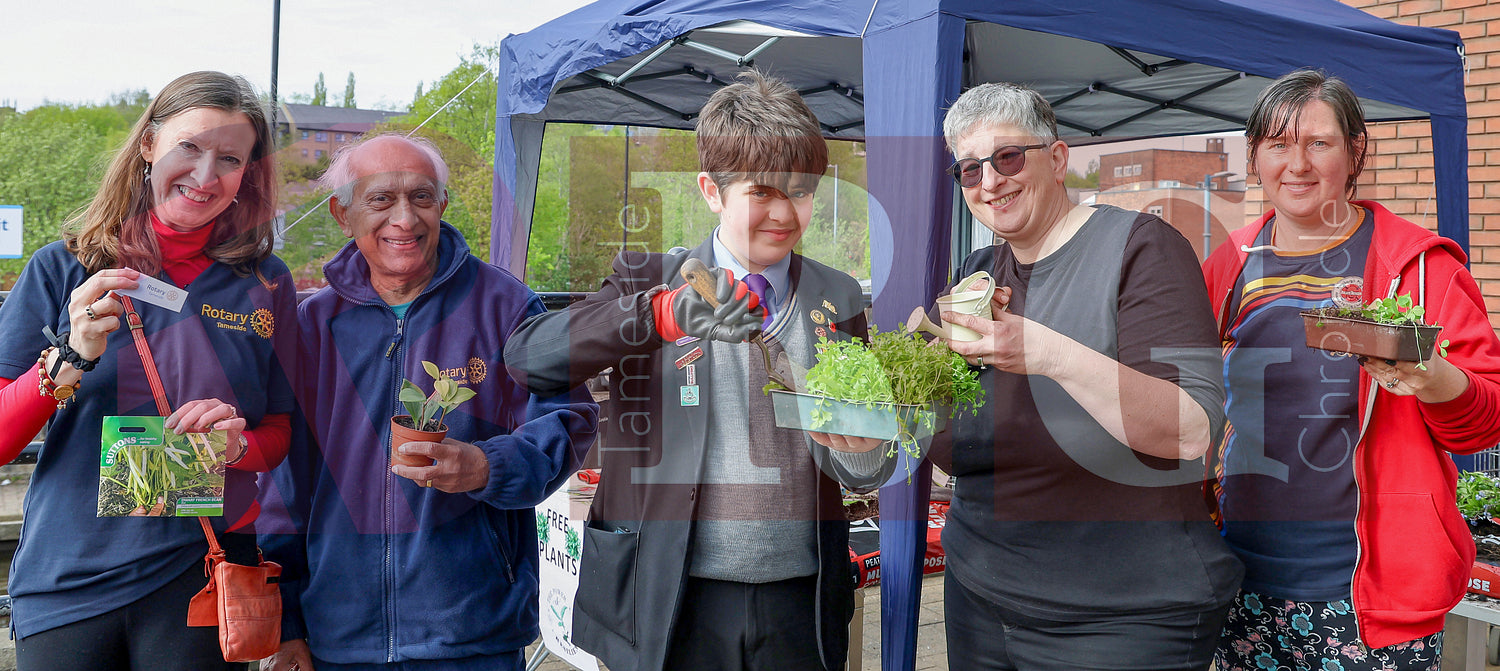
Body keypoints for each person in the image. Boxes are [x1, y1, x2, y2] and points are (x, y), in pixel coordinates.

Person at [503, 70, 888, 671]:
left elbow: (859, 451)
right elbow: (529, 357)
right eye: (763, 192)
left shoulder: (836, 295)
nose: (786, 212)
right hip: (667, 597)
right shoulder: (649, 277)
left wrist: (864, 450)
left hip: (802, 597)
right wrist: (662, 316)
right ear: (712, 190)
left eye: (803, 190)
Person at [931, 82, 1243, 670]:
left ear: (1057, 158)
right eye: (970, 171)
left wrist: (1047, 351)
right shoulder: (977, 271)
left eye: (1007, 158)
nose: (990, 182)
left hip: (1123, 613)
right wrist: (891, 406)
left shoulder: (1141, 249)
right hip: (983, 594)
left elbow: (1189, 431)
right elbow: (961, 444)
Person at [257, 132, 598, 671]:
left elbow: (569, 417)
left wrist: (489, 466)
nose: (404, 219)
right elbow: (283, 484)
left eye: (420, 197)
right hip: (338, 635)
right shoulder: (310, 327)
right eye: (379, 200)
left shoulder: (505, 306)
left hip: (472, 635)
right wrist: (288, 622)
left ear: (442, 204)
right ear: (342, 214)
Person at [1203, 69, 1500, 671]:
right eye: (1278, 144)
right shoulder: (1229, 264)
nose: (1298, 164)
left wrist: (1432, 378)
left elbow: (1483, 424)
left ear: (1355, 149)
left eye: (1319, 143)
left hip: (1373, 596)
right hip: (1239, 579)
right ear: (1255, 154)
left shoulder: (1419, 268)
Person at [0, 71, 295, 670]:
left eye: (230, 158)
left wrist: (236, 447)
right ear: (148, 146)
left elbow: (279, 434)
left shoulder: (266, 284)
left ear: (247, 176)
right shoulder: (63, 269)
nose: (205, 175)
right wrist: (69, 359)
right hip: (70, 579)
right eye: (189, 147)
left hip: (202, 576)